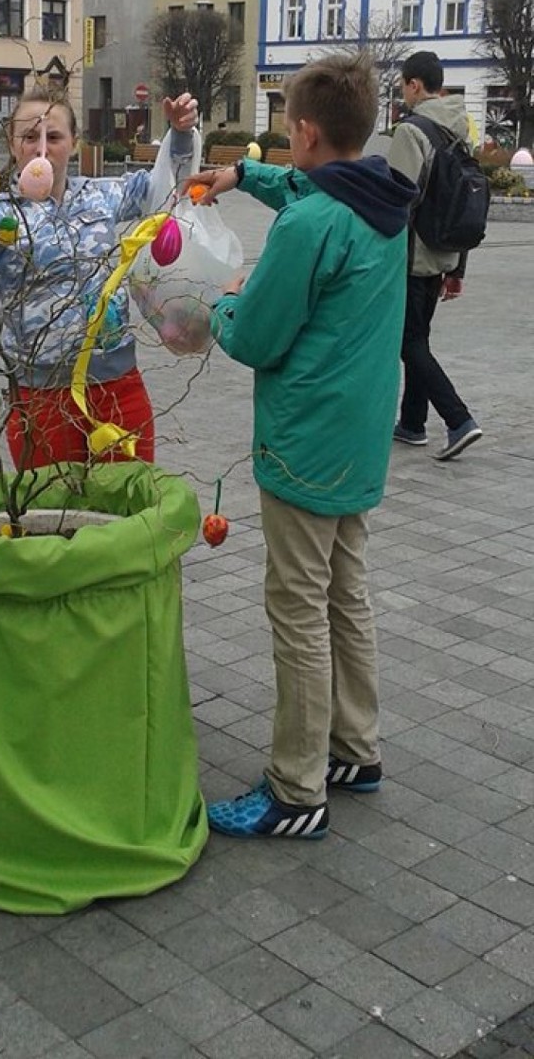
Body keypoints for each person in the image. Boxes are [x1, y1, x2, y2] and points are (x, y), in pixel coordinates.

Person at [186, 53, 417, 839]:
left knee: (298, 609)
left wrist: (219, 308)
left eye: (289, 129)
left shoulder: (311, 224)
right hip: (358, 440)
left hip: (303, 446)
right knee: (345, 591)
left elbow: (256, 336)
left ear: (307, 131)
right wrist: (240, 178)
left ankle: (296, 789)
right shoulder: (384, 197)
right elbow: (311, 186)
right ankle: (356, 748)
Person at [0, 86, 198, 468]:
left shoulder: (100, 195)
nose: (41, 149)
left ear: (73, 143)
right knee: (50, 516)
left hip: (116, 387)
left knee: (128, 508)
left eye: (53, 137)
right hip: (41, 395)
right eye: (29, 137)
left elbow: (165, 189)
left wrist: (181, 133)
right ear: (11, 143)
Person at [387, 51, 482, 461]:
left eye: (403, 86)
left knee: (407, 343)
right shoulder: (460, 127)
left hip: (410, 256)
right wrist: (458, 266)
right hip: (442, 253)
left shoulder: (413, 131)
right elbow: (463, 198)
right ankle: (412, 423)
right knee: (418, 339)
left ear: (413, 85)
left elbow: (396, 200)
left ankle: (458, 419)